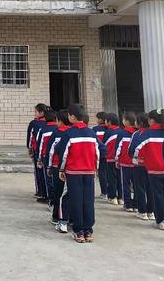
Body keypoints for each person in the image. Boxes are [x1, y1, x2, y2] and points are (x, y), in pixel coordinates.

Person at [56, 104, 106, 243]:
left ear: (72, 117)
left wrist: (61, 169)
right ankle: (88, 231)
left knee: (76, 200)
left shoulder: (69, 133)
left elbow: (63, 153)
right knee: (88, 200)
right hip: (89, 171)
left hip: (73, 172)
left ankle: (79, 231)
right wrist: (95, 168)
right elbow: (98, 152)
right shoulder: (91, 133)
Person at [132, 109, 164, 231]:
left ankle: (161, 221)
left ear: (151, 120)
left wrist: (137, 160)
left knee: (158, 195)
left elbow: (136, 149)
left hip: (154, 170)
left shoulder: (148, 133)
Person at [46, 109, 71, 233]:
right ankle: (69, 217)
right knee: (69, 193)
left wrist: (49, 166)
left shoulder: (56, 133)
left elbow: (51, 151)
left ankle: (57, 217)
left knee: (58, 192)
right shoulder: (72, 132)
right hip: (70, 168)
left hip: (57, 167)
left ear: (59, 121)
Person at [128, 112, 155, 221]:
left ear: (140, 123)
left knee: (139, 187)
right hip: (151, 165)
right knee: (150, 188)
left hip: (139, 165)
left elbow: (131, 149)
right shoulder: (153, 133)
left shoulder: (137, 134)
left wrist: (134, 158)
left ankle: (142, 211)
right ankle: (151, 212)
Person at [115, 111, 138, 212]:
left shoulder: (121, 133)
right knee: (137, 184)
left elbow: (118, 148)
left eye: (123, 119)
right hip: (136, 164)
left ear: (127, 121)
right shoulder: (137, 133)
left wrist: (117, 159)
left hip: (125, 163)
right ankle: (137, 204)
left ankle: (128, 204)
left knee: (126, 184)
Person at [36, 109, 58, 209]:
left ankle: (51, 201)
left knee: (48, 179)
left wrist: (39, 158)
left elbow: (39, 144)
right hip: (58, 157)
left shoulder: (43, 129)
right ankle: (57, 201)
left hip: (46, 157)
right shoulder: (59, 129)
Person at [26, 103, 48, 201]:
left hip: (37, 151)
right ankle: (46, 193)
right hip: (47, 153)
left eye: (36, 111)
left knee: (39, 172)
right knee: (47, 174)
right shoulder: (50, 123)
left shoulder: (34, 123)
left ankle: (41, 191)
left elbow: (30, 138)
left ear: (41, 112)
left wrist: (30, 149)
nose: (34, 113)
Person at [104, 112, 123, 205]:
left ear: (109, 122)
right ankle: (121, 197)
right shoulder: (121, 131)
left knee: (111, 178)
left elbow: (105, 145)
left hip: (110, 158)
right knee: (120, 178)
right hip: (119, 159)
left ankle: (113, 197)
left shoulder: (108, 132)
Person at [93, 111, 108, 199]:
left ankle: (104, 192)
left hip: (100, 154)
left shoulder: (95, 129)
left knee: (102, 173)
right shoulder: (109, 129)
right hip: (110, 155)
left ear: (100, 119)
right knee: (110, 174)